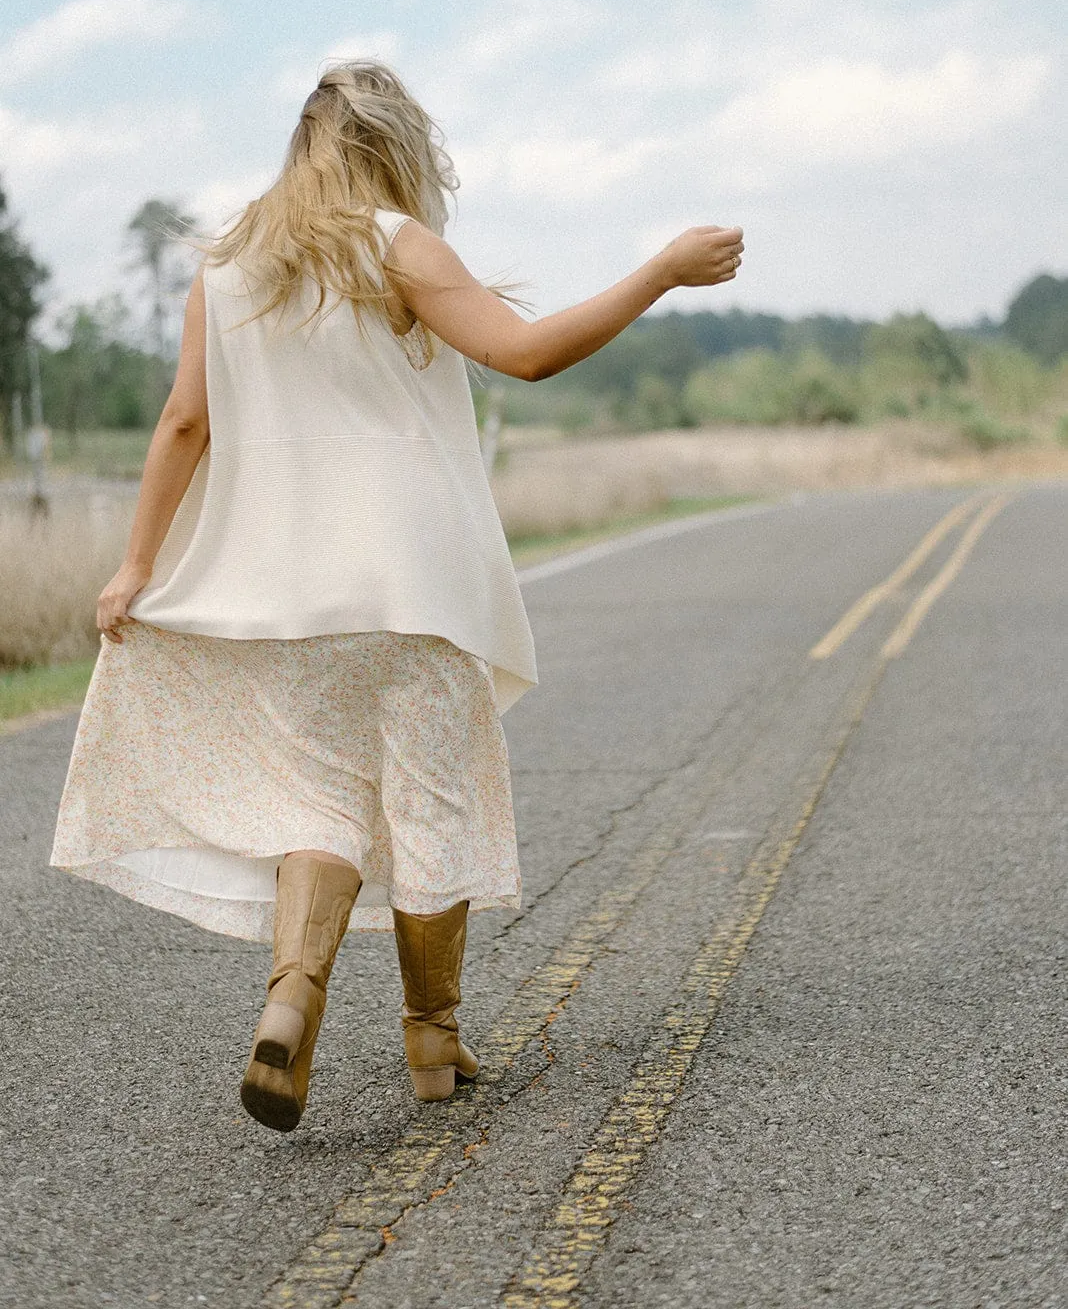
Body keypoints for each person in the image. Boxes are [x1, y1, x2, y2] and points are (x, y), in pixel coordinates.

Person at [49, 60, 744, 1133]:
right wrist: (657, 271)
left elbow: (185, 423)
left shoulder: (231, 268)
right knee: (431, 805)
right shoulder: (400, 247)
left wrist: (136, 564)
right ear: (393, 150)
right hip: (411, 588)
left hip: (288, 604)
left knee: (317, 811)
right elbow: (525, 354)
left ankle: (293, 997)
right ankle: (433, 1040)